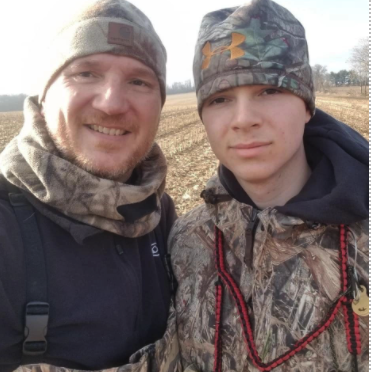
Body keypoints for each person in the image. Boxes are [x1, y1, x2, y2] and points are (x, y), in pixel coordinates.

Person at [169, 0, 369, 371]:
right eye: (220, 99)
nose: (243, 119)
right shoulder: (184, 243)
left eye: (269, 91)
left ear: (307, 105)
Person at [0, 1, 180, 371]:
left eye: (139, 81)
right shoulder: (6, 230)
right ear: (44, 94)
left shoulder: (163, 221)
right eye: (85, 73)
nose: (112, 103)